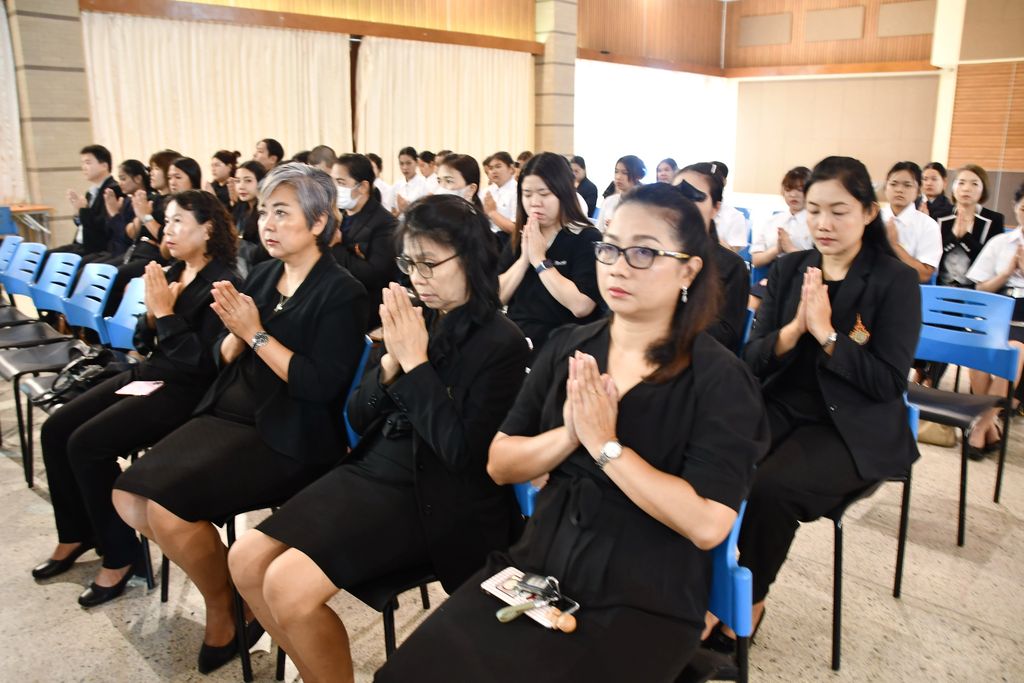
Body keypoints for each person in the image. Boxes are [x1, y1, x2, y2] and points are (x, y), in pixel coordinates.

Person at [376, 183, 768, 683]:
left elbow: (708, 523)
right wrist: (568, 433)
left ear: (689, 268)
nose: (618, 266)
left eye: (643, 252)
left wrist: (607, 447)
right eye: (609, 247)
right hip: (539, 565)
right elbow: (500, 463)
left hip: (646, 592)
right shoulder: (569, 346)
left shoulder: (719, 379)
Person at [228, 194, 530, 683]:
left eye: (430, 263)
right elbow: (359, 416)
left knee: (286, 586)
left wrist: (415, 364)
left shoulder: (502, 342)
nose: (418, 277)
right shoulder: (418, 316)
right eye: (410, 262)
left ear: (471, 258)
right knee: (243, 561)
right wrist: (390, 365)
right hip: (372, 470)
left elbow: (461, 455)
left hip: (431, 495)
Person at [113, 163, 369, 675]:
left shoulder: (343, 291)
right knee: (127, 495)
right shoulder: (269, 272)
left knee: (168, 510)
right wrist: (233, 333)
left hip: (287, 430)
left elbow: (318, 386)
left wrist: (254, 333)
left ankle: (224, 611)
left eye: (283, 213)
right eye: (265, 212)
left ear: (318, 223)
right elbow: (223, 353)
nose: (267, 224)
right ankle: (235, 597)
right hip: (229, 408)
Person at [709, 156, 921, 652]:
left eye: (840, 211)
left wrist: (828, 334)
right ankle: (695, 584)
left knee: (768, 488)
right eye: (814, 210)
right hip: (779, 407)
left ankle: (748, 602)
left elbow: (888, 383)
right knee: (707, 457)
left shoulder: (894, 281)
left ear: (869, 213)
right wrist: (793, 331)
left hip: (849, 427)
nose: (823, 224)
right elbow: (752, 359)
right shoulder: (788, 270)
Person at [33, 190, 241, 607]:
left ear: (208, 228)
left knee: (87, 444)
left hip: (186, 392)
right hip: (149, 375)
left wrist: (166, 314)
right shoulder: (171, 270)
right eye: (166, 221)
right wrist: (153, 315)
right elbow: (146, 343)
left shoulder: (225, 283)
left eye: (180, 220)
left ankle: (122, 558)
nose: (169, 229)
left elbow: (203, 364)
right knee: (56, 429)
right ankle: (75, 534)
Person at [498, 152, 604, 359]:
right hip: (517, 341)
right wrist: (523, 260)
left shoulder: (585, 237)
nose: (535, 202)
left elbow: (582, 306)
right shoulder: (522, 235)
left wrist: (540, 260)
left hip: (563, 347)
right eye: (527, 194)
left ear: (564, 192)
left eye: (544, 194)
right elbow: (495, 297)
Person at [963, 184, 1024, 456]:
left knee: (1016, 349)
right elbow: (979, 287)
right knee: (974, 345)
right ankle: (991, 423)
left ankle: (981, 424)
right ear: (1015, 208)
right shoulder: (1000, 243)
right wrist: (1008, 271)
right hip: (998, 305)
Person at [674, 163, 751, 353]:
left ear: (716, 207)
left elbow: (725, 334)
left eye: (694, 197)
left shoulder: (732, 266)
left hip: (698, 362)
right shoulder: (654, 253)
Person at [330, 153, 400, 330]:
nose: (334, 188)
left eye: (341, 183)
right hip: (335, 300)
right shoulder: (339, 216)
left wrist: (336, 247)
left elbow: (375, 276)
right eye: (333, 182)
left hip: (363, 311)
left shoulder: (385, 224)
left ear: (362, 187)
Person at [935, 164, 1004, 287]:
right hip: (941, 286)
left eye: (974, 184)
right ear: (953, 188)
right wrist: (953, 236)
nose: (966, 188)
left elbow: (990, 262)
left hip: (975, 289)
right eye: (961, 183)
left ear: (983, 189)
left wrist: (965, 238)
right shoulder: (939, 217)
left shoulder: (994, 220)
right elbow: (933, 256)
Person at [56, 144, 122, 258]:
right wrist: (78, 213)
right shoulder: (91, 192)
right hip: (80, 244)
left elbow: (104, 227)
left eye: (88, 163)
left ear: (104, 165)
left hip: (96, 248)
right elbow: (83, 224)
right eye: (82, 163)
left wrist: (84, 210)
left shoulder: (113, 190)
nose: (84, 167)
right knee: (43, 257)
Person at [880, 161, 942, 283]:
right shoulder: (872, 218)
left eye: (907, 185)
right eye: (893, 184)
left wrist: (894, 245)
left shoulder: (928, 226)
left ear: (919, 190)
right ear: (886, 188)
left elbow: (924, 275)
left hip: (907, 291)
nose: (899, 190)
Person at [750, 165, 813, 269]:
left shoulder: (815, 223)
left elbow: (820, 263)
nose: (793, 194)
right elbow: (756, 261)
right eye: (788, 190)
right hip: (774, 277)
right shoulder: (772, 221)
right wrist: (777, 250)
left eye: (800, 190)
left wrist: (790, 248)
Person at [101, 159, 152, 260]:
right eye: (119, 179)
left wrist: (114, 213)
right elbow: (110, 232)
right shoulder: (127, 200)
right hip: (115, 251)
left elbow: (128, 236)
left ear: (138, 178)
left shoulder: (147, 201)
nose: (120, 183)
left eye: (123, 179)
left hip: (131, 254)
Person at [232, 160, 270, 274]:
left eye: (248, 181)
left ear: (261, 182)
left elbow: (263, 254)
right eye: (237, 181)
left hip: (260, 271)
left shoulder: (266, 212)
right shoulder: (240, 209)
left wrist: (233, 242)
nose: (241, 186)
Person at [596, 155, 645, 233]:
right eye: (616, 171)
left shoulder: (645, 204)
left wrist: (618, 228)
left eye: (625, 173)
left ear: (637, 176)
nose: (618, 177)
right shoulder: (609, 201)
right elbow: (599, 231)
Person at [710, 162, 750, 253]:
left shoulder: (735, 217)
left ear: (724, 182)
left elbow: (733, 254)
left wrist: (710, 232)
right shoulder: (692, 210)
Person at [483, 151, 518, 240]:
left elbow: (516, 229)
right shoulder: (487, 191)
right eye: (491, 168)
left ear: (511, 169)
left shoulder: (517, 191)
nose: (494, 171)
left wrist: (492, 213)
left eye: (498, 166)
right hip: (487, 236)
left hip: (506, 240)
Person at [392, 146, 428, 215]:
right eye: (401, 163)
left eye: (408, 163)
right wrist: (399, 212)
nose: (405, 167)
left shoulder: (424, 184)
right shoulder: (396, 185)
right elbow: (392, 211)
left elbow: (426, 213)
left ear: (416, 162)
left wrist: (408, 208)